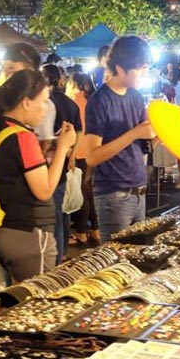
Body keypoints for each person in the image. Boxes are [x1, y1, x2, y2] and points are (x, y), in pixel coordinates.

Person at [0, 70, 76, 281]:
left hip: (5, 231)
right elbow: (44, 191)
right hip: (29, 234)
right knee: (38, 302)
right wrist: (62, 149)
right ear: (25, 102)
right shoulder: (23, 137)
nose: (45, 109)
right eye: (43, 102)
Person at [84, 35, 156, 242]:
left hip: (139, 191)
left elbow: (142, 147)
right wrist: (134, 133)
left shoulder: (136, 96)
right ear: (121, 68)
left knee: (139, 261)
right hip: (113, 196)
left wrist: (160, 134)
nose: (145, 73)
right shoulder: (99, 102)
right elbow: (92, 156)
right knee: (116, 263)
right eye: (141, 68)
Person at [40, 64, 83, 264]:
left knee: (55, 213)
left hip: (48, 168)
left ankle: (57, 259)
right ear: (61, 80)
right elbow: (79, 133)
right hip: (65, 162)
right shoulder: (70, 103)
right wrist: (72, 155)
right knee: (63, 210)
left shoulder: (44, 103)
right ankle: (63, 250)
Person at [71, 74, 100, 247]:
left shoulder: (76, 100)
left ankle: (82, 233)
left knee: (82, 192)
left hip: (79, 151)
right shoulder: (94, 101)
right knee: (88, 191)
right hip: (94, 150)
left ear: (76, 85)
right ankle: (95, 230)